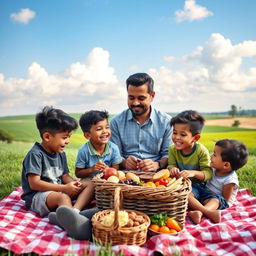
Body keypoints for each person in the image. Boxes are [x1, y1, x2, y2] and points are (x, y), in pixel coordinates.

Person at [21, 106, 95, 240]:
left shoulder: (60, 153)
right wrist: (64, 188)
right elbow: (34, 184)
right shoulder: (35, 154)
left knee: (90, 183)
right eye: (65, 137)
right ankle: (76, 226)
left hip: (58, 191)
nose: (68, 141)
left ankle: (75, 212)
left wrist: (74, 184)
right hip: (37, 197)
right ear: (47, 136)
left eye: (69, 137)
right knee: (63, 197)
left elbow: (64, 176)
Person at [110, 72, 172, 172]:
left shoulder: (166, 122)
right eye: (131, 98)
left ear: (152, 96)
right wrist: (125, 162)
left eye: (141, 98)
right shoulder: (116, 122)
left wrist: (157, 164)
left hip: (157, 177)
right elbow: (114, 154)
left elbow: (168, 154)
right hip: (124, 178)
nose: (135, 103)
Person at [188, 139, 248, 224]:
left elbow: (224, 200)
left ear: (226, 165)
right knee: (187, 192)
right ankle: (207, 212)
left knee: (215, 201)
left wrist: (211, 194)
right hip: (204, 191)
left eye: (215, 155)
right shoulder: (214, 168)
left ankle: (200, 213)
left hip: (214, 199)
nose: (211, 156)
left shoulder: (230, 180)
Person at [75, 110, 122, 179]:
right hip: (89, 181)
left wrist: (108, 169)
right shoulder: (83, 151)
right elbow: (78, 174)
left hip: (108, 181)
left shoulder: (114, 148)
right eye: (99, 129)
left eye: (107, 127)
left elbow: (116, 171)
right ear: (88, 135)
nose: (105, 131)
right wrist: (91, 170)